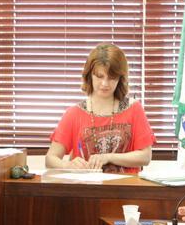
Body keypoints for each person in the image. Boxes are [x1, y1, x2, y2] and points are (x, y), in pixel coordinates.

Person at [45, 43, 155, 173]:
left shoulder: (134, 109)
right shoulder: (73, 113)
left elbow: (146, 157)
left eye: (112, 78)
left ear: (120, 78)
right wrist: (67, 165)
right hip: (85, 184)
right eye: (99, 76)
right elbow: (50, 159)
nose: (105, 84)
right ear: (89, 76)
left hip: (125, 185)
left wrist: (108, 157)